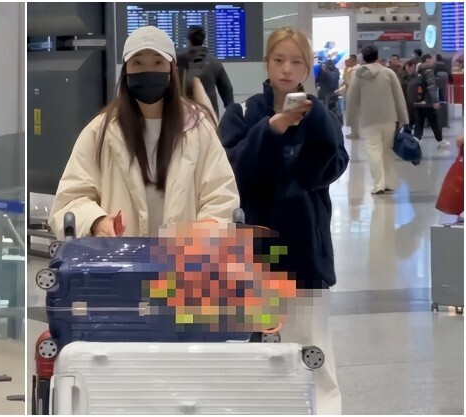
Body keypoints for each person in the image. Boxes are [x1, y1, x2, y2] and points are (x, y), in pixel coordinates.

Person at [218, 26, 349, 415]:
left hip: (305, 250)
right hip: (255, 252)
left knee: (313, 347)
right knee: (256, 347)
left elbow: (332, 167)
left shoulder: (321, 117)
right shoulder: (244, 113)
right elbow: (229, 171)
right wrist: (271, 130)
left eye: (296, 62)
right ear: (267, 63)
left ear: (307, 68)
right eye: (279, 60)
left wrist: (313, 120)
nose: (286, 69)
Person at [49, 25, 240, 239]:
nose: (148, 71)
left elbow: (222, 198)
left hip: (183, 258)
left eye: (158, 62)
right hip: (119, 257)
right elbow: (68, 201)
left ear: (172, 69)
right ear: (126, 71)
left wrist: (205, 231)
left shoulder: (199, 129)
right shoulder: (100, 132)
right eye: (137, 63)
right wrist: (96, 221)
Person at [346, 45, 409, 195]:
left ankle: (379, 184)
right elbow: (399, 96)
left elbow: (352, 98)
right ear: (377, 55)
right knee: (387, 150)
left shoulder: (359, 75)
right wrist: (403, 117)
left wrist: (349, 119)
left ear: (363, 57)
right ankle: (389, 182)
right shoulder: (388, 73)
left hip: (368, 120)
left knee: (373, 150)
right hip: (389, 118)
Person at [177, 25, 235, 117]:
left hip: (183, 116)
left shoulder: (177, 61)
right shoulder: (214, 62)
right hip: (209, 116)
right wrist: (231, 110)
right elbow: (227, 88)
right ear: (203, 41)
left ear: (188, 41)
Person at [409, 54, 448, 148]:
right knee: (434, 122)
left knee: (419, 123)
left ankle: (416, 141)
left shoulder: (417, 70)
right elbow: (431, 86)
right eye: (432, 59)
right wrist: (435, 101)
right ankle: (440, 141)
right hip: (427, 102)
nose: (433, 61)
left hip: (418, 101)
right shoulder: (428, 70)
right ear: (427, 59)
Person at [336, 54, 361, 139]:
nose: (347, 62)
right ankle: (355, 132)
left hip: (355, 96)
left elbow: (351, 84)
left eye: (349, 60)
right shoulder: (350, 70)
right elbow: (347, 84)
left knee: (354, 115)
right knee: (353, 114)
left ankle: (356, 133)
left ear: (353, 61)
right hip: (351, 95)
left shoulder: (355, 71)